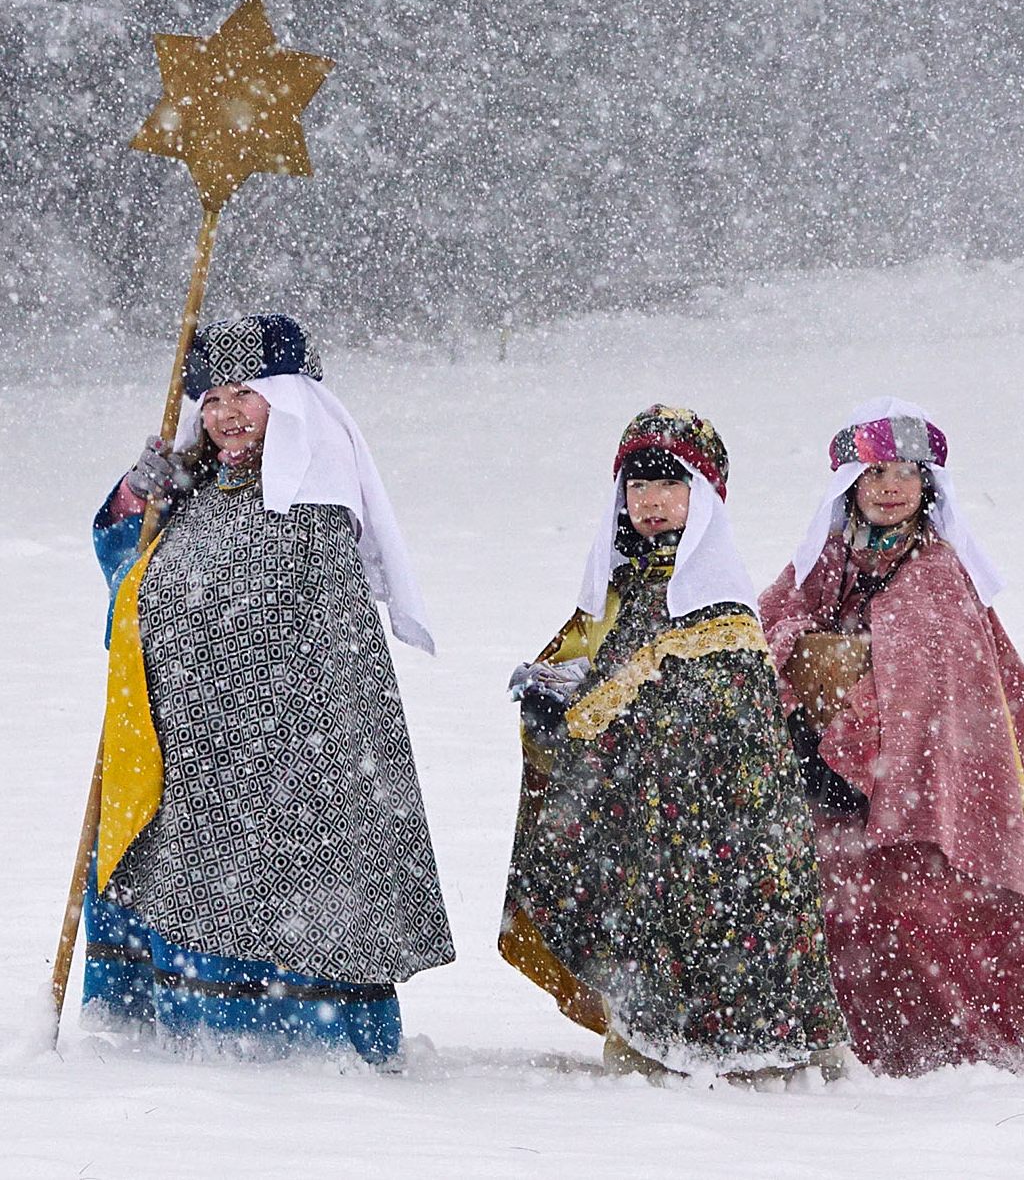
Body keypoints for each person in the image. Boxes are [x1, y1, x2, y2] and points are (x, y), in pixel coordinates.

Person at [84, 313, 454, 1065]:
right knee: (193, 879)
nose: (225, 413)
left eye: (245, 395)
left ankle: (305, 1037)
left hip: (295, 750)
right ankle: (190, 1023)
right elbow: (131, 576)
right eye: (212, 397)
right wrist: (138, 498)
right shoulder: (191, 488)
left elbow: (304, 620)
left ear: (288, 402)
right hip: (191, 743)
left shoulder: (314, 496)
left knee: (296, 882)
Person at [499, 404, 847, 1080]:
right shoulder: (623, 585)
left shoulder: (716, 595)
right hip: (645, 818)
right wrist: (555, 697)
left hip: (716, 823)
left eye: (669, 485)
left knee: (714, 918)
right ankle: (654, 1034)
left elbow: (698, 706)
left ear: (704, 496)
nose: (650, 501)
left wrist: (581, 719)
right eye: (635, 486)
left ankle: (741, 1049)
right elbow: (605, 671)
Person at [759, 398, 1024, 1075]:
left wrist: (857, 744)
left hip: (922, 804)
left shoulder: (935, 574)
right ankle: (865, 1048)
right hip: (832, 789)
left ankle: (975, 1050)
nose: (889, 487)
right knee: (838, 910)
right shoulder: (824, 560)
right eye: (873, 475)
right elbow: (766, 627)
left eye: (905, 471)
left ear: (927, 485)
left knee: (934, 911)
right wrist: (798, 703)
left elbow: (930, 692)